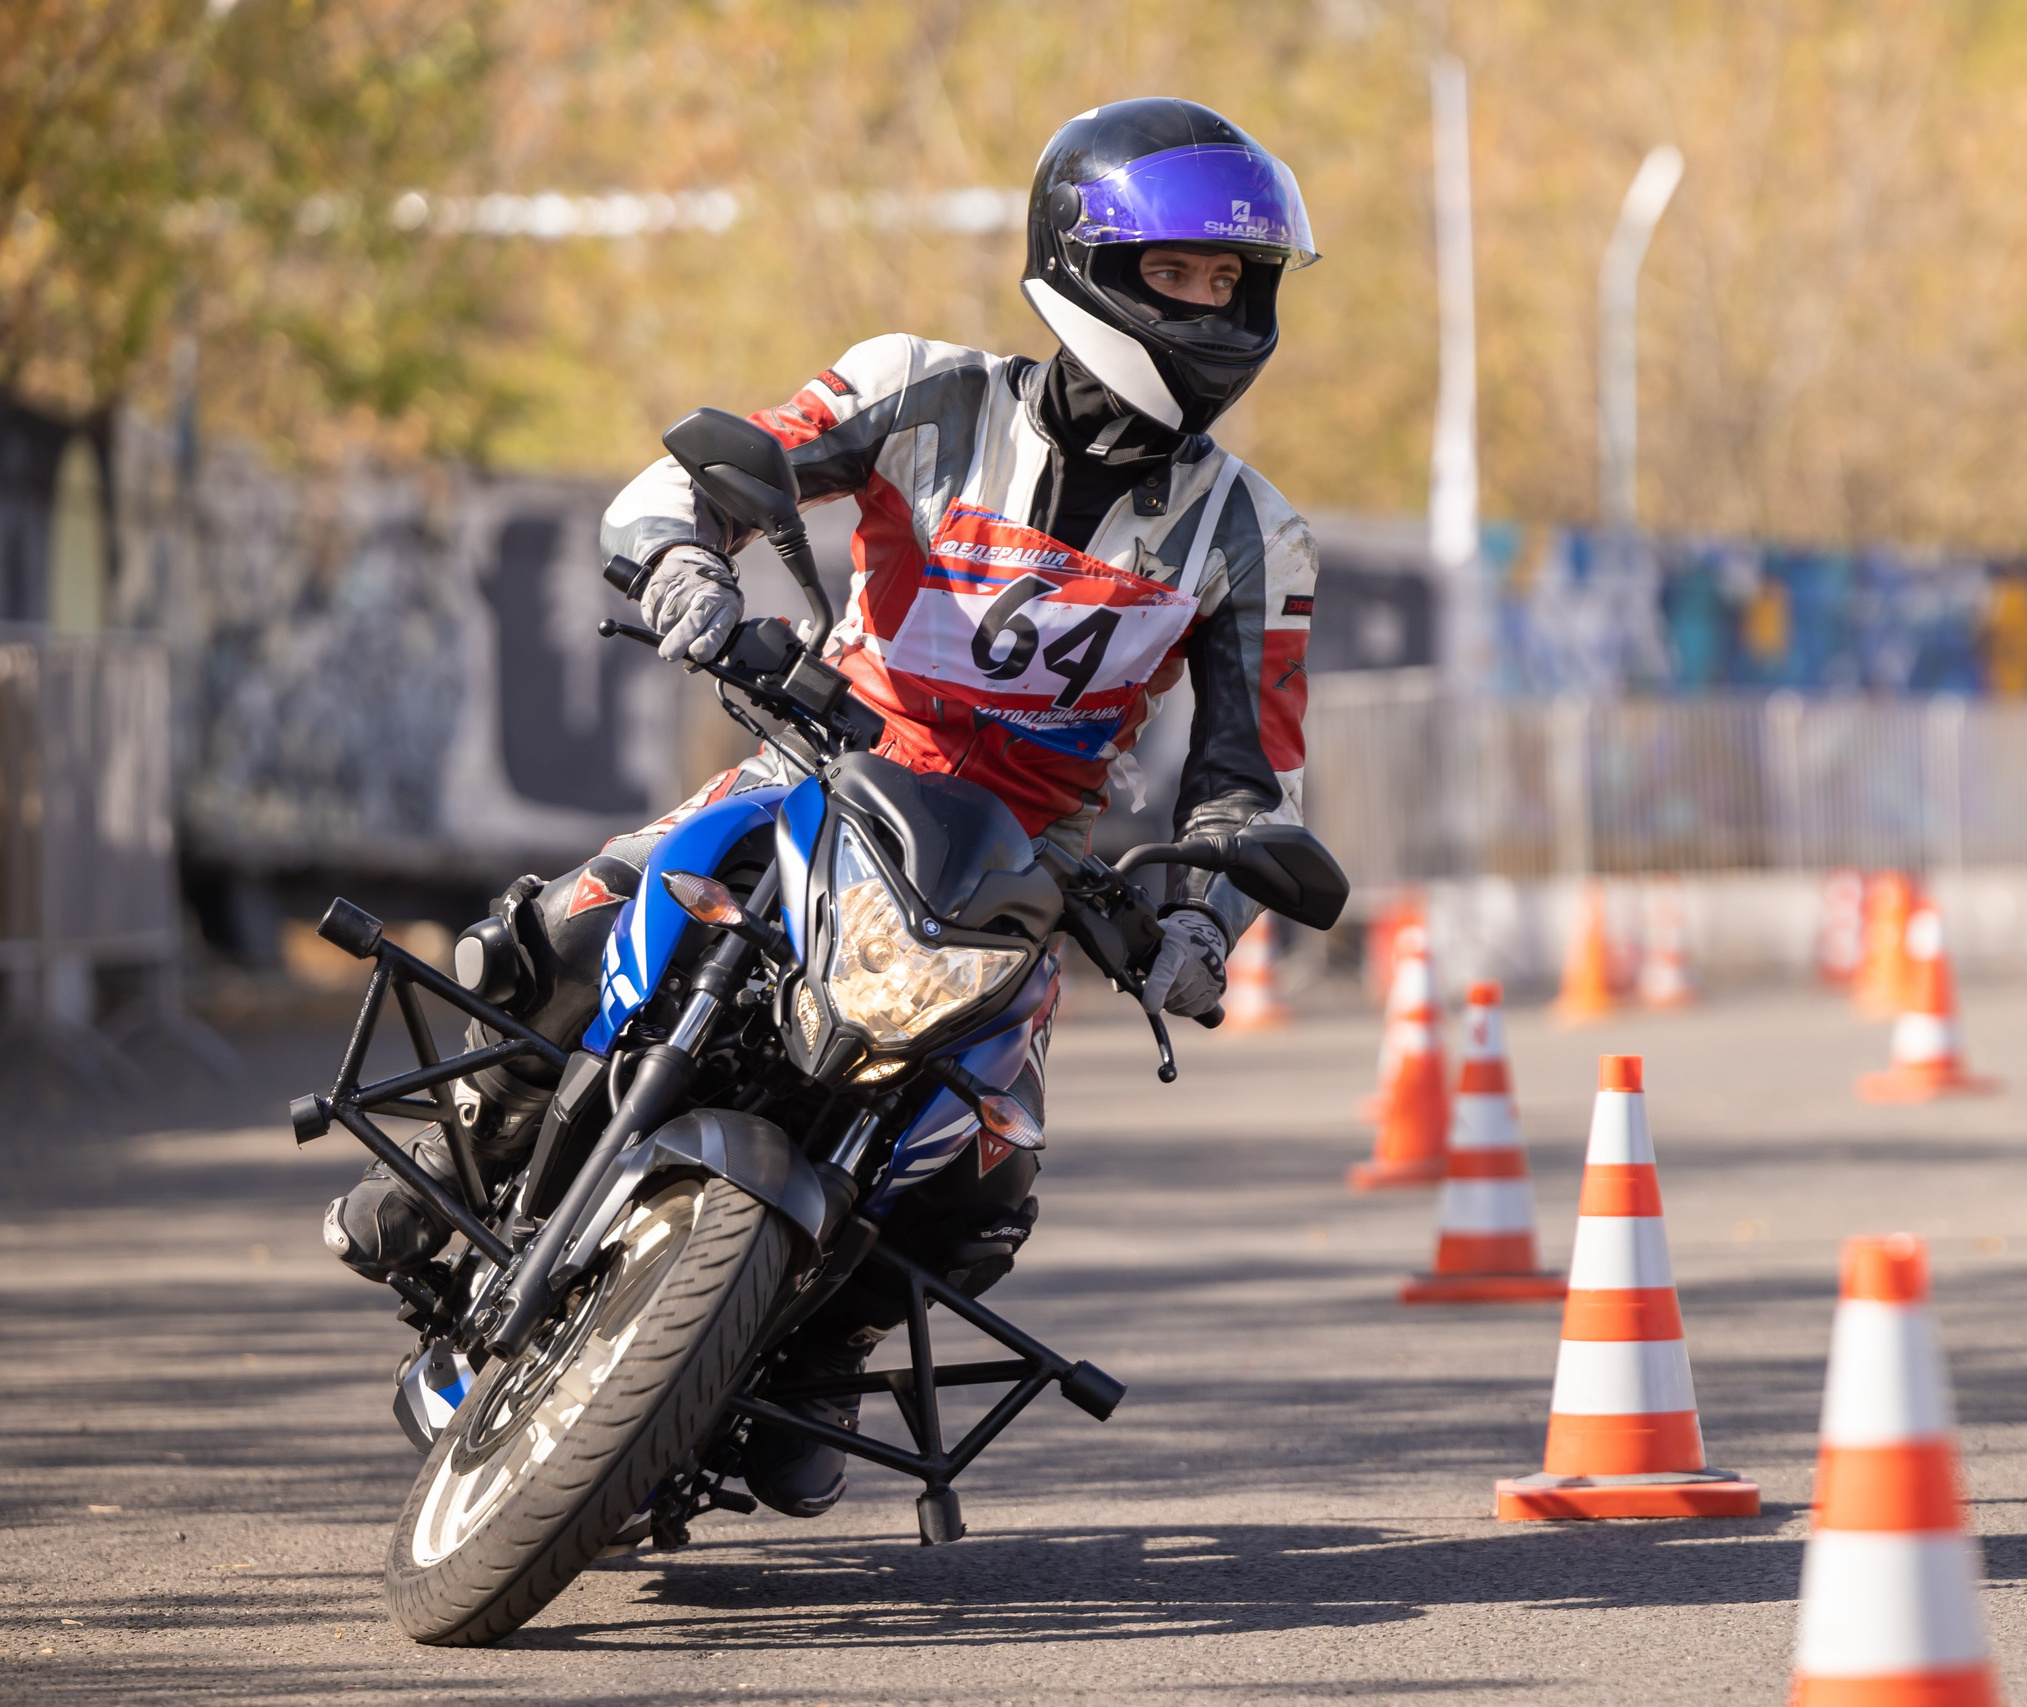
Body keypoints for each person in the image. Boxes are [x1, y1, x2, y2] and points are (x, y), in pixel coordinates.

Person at [322, 97, 1322, 1518]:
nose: (1213, 310)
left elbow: (1251, 778)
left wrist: (1200, 923)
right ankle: (456, 1177)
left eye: (1232, 282)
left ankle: (813, 1351)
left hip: (1014, 873)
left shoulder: (1255, 533)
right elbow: (695, 477)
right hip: (821, 763)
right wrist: (683, 566)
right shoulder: (919, 387)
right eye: (1181, 275)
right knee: (550, 936)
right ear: (1087, 264)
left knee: (986, 1178)